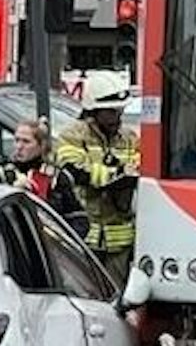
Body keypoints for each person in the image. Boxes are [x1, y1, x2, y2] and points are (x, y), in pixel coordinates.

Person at [54, 72, 140, 282]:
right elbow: (76, 170)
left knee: (117, 297)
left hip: (120, 241)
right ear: (94, 110)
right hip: (83, 237)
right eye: (110, 112)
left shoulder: (129, 138)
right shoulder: (71, 135)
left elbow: (139, 167)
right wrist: (117, 174)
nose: (117, 117)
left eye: (120, 111)